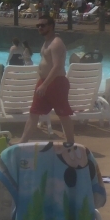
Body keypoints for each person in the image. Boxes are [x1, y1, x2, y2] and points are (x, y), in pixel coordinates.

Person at [20, 15, 73, 145]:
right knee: (34, 112)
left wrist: (44, 85)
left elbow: (57, 66)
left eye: (43, 25)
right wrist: (42, 83)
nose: (40, 28)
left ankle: (71, 142)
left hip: (56, 83)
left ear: (51, 26)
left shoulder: (56, 43)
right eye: (38, 26)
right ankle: (22, 142)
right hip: (45, 82)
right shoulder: (47, 41)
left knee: (63, 114)